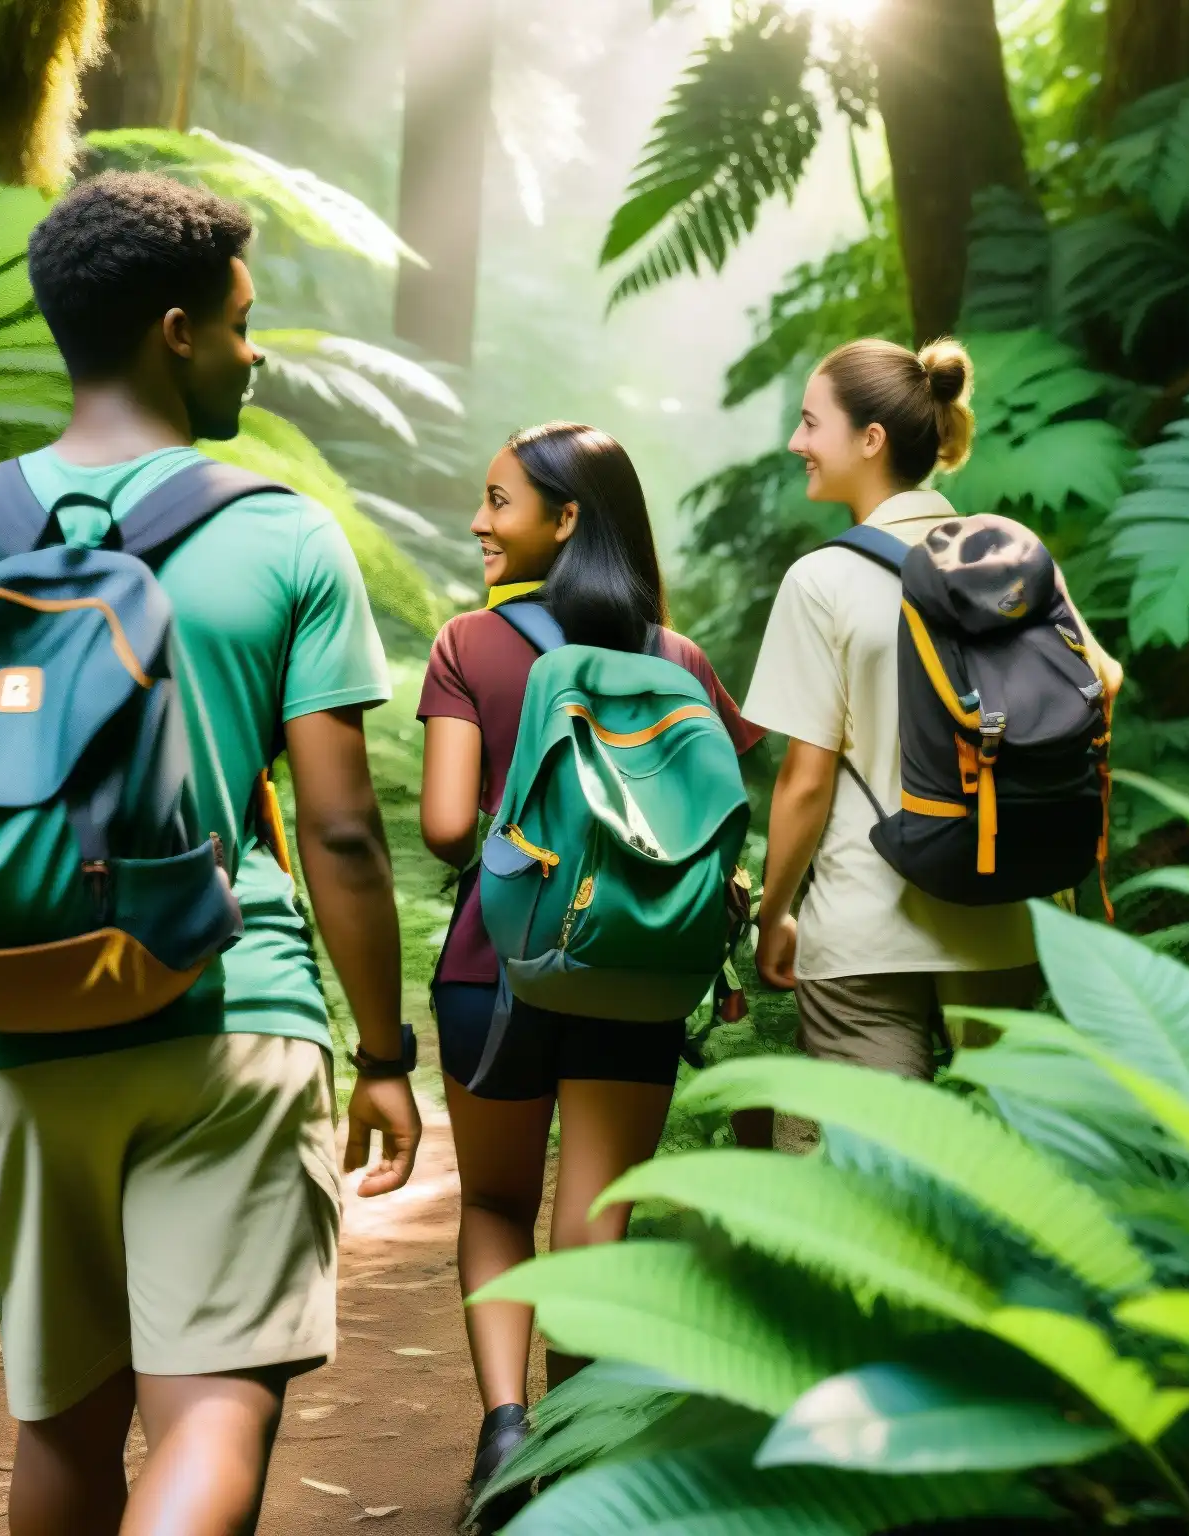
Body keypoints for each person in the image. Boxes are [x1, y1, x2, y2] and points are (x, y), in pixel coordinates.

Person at [0, 172, 422, 1536]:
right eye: (248, 326)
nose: (257, 356)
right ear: (179, 328)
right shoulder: (282, 538)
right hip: (226, 1016)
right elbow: (341, 834)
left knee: (65, 1432)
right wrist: (384, 1053)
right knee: (210, 1416)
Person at [416, 422, 762, 1523]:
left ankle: (503, 1430)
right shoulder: (678, 660)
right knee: (595, 1207)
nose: (479, 521)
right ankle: (580, 1448)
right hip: (639, 969)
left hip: (494, 967)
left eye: (498, 501)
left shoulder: (469, 647)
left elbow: (437, 827)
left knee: (496, 1203)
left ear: (565, 520)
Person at [742, 336, 1124, 1080]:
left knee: (878, 1176)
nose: (798, 443)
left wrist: (772, 914)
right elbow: (1101, 682)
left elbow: (806, 781)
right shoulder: (1010, 559)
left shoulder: (821, 580)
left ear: (870, 439)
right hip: (1005, 906)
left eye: (812, 423)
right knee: (999, 1163)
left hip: (865, 924)